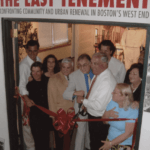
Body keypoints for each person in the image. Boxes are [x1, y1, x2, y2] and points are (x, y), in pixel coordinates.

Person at [77, 53, 117, 150]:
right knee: (93, 143)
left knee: (97, 146)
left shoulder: (106, 81)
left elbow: (99, 105)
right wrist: (86, 104)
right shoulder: (98, 75)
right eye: (92, 63)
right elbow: (94, 94)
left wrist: (83, 101)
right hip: (94, 118)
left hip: (100, 120)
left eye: (95, 63)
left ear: (104, 64)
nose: (92, 66)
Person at [63, 54, 93, 150]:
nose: (82, 68)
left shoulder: (97, 73)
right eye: (79, 65)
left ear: (90, 63)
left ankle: (89, 147)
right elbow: (65, 94)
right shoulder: (74, 76)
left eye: (84, 65)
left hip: (95, 107)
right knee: (81, 133)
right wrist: (76, 93)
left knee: (91, 133)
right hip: (81, 109)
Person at [99, 83, 139, 150]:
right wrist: (107, 114)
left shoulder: (133, 110)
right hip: (109, 139)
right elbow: (104, 121)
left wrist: (111, 143)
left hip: (124, 144)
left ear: (123, 96)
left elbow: (128, 133)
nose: (112, 93)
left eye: (114, 92)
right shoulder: (112, 102)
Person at [48, 58, 74, 150]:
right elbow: (51, 99)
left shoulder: (75, 77)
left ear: (72, 68)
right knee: (59, 142)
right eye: (63, 67)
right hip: (59, 115)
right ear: (60, 67)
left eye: (68, 67)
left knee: (70, 141)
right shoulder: (54, 78)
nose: (65, 69)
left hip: (72, 114)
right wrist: (54, 116)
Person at [19, 40, 41, 150]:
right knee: (27, 129)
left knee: (35, 127)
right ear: (27, 50)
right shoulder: (24, 65)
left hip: (36, 99)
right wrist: (27, 99)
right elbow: (21, 86)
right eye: (30, 51)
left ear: (38, 50)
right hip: (26, 100)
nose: (33, 53)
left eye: (35, 51)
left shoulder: (39, 60)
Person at [26, 62, 50, 150]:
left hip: (46, 116)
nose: (35, 74)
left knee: (46, 140)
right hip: (35, 117)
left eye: (37, 71)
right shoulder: (29, 85)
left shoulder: (48, 81)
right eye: (33, 71)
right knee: (37, 141)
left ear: (42, 71)